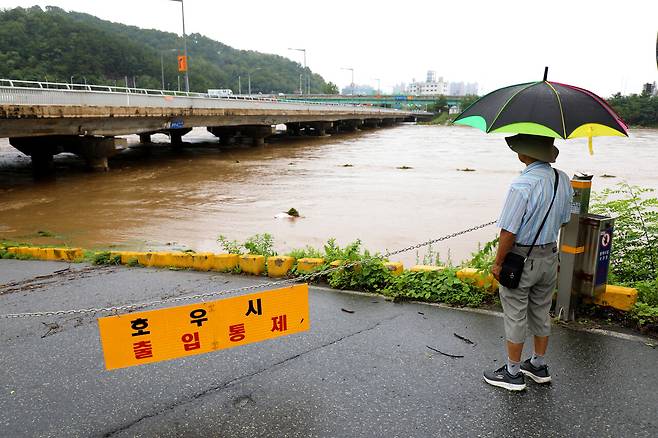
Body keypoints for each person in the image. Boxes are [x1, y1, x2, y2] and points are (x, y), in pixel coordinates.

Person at [483, 134, 573, 391]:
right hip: (549, 257)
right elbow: (565, 220)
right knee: (541, 312)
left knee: (515, 315)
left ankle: (512, 373)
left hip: (521, 259)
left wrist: (498, 263)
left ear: (526, 153)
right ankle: (538, 365)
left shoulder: (521, 184)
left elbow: (508, 232)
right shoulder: (562, 179)